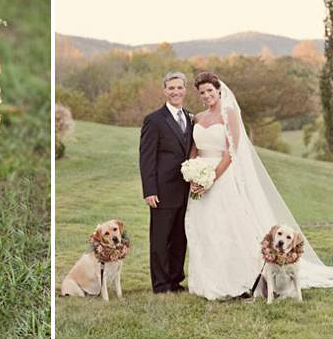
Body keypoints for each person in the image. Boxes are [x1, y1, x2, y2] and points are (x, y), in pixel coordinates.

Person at [185, 71, 333, 300]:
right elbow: (194, 149)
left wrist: (211, 178)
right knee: (203, 228)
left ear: (218, 91)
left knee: (226, 227)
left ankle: (236, 279)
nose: (206, 96)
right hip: (199, 180)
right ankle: (206, 280)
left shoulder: (230, 113)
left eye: (209, 91)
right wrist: (194, 173)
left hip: (222, 179)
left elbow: (232, 151)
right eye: (202, 92)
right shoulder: (198, 117)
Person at [139, 71, 194, 293]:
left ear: (185, 90)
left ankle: (175, 280)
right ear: (164, 90)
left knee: (180, 239)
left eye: (179, 87)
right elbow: (146, 157)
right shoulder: (154, 120)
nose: (175, 92)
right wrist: (149, 189)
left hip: (185, 191)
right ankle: (161, 284)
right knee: (160, 240)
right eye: (171, 88)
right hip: (162, 190)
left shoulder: (191, 117)